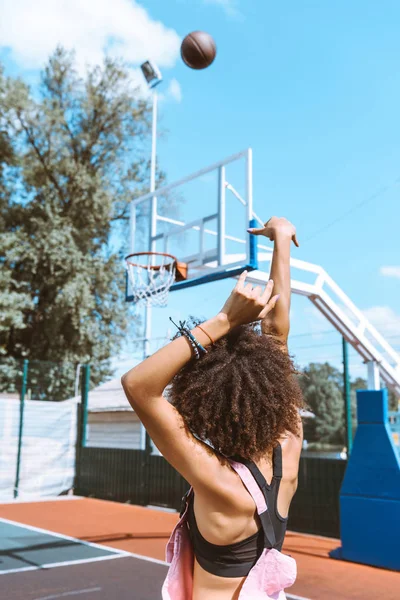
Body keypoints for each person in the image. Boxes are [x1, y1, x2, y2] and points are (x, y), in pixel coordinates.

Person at [122, 216, 304, 600]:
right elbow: (277, 335)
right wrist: (282, 241)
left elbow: (138, 386)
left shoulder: (221, 484)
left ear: (202, 403)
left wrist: (223, 320)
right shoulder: (288, 448)